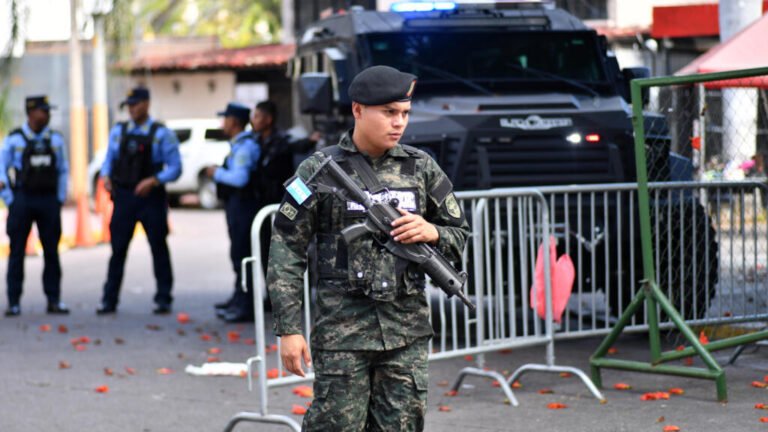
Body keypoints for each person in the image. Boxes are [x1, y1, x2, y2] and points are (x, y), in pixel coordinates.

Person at [266, 65, 470, 431]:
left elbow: (460, 235)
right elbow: (286, 250)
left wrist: (432, 232)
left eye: (405, 113)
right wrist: (289, 329)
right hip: (343, 333)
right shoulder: (318, 170)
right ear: (358, 110)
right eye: (389, 112)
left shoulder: (421, 168)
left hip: (406, 332)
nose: (399, 123)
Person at [96, 87, 182, 315]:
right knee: (117, 250)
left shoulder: (162, 133)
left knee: (158, 247)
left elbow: (175, 168)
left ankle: (164, 298)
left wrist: (154, 180)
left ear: (146, 103)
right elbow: (109, 160)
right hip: (124, 197)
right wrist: (106, 177)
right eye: (129, 105)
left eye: (136, 104)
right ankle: (109, 299)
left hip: (150, 198)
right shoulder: (119, 131)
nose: (132, 109)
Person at [0, 95, 69, 317]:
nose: (47, 115)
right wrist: (10, 199)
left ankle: (54, 300)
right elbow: (1, 169)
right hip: (23, 200)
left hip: (48, 201)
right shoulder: (14, 140)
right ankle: (13, 302)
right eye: (43, 111)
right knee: (17, 252)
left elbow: (63, 170)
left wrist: (59, 199)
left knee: (51, 252)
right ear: (31, 113)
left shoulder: (55, 140)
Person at [206, 102, 261, 323]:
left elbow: (240, 179)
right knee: (238, 255)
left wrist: (216, 173)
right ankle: (238, 299)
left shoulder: (246, 147)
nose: (223, 123)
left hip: (244, 208)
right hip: (236, 207)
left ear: (235, 122)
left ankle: (245, 305)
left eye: (226, 119)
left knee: (243, 256)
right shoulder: (239, 145)